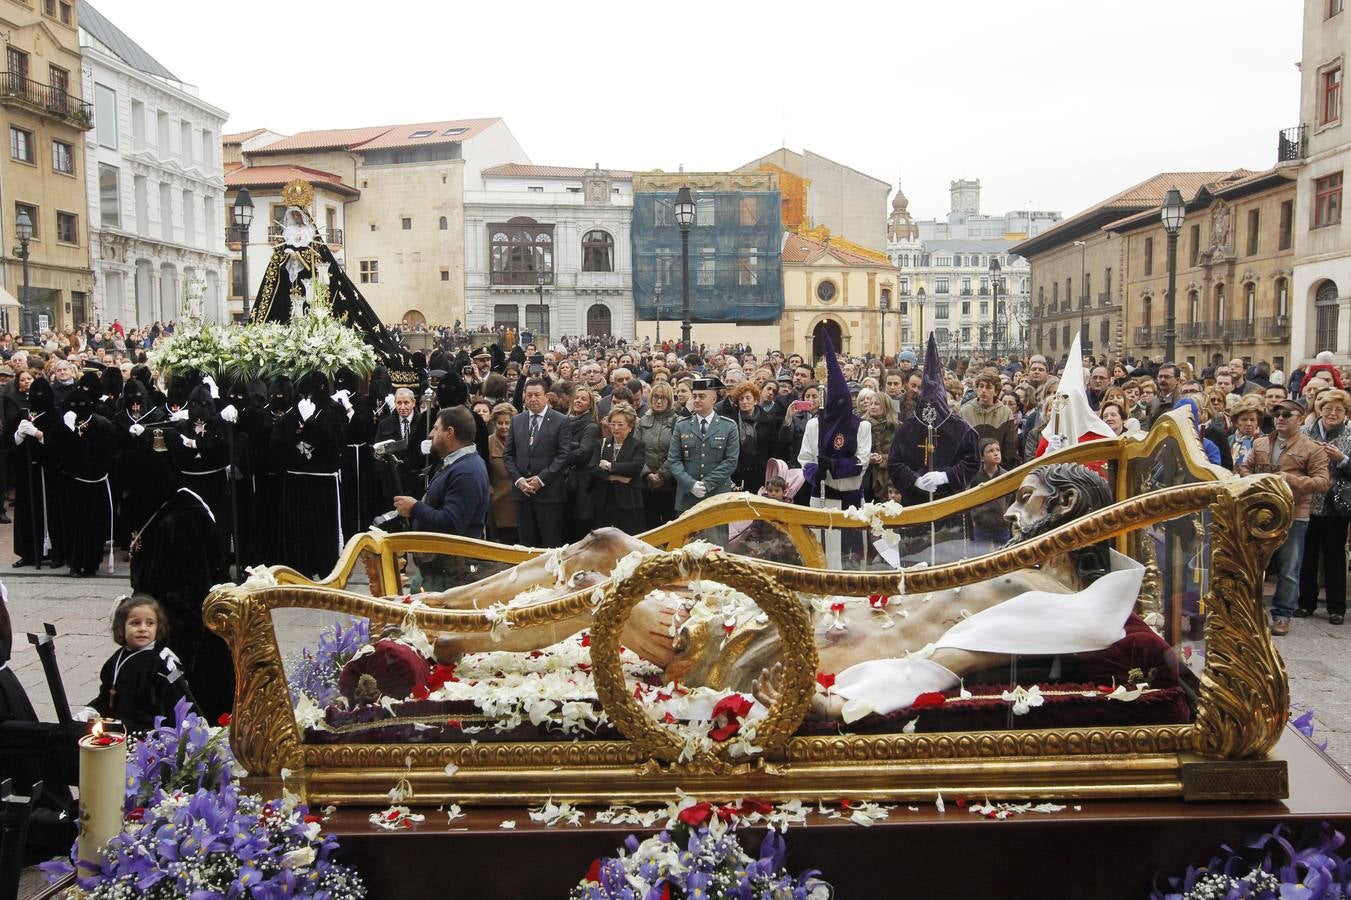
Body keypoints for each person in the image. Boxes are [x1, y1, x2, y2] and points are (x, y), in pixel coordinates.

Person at [129, 488, 232, 720]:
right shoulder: (159, 514)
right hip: (162, 625)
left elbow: (191, 592)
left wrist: (177, 649)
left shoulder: (181, 520)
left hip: (194, 641)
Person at [1237, 398, 1331, 636]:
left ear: (1300, 418)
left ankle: (1282, 615)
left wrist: (1290, 479)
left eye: (1286, 414)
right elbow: (1244, 468)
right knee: (1255, 566)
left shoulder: (1312, 448)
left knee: (1289, 568)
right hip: (1260, 512)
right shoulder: (1260, 443)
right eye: (1277, 413)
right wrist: (1253, 480)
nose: (1280, 417)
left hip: (1294, 514)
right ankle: (1253, 613)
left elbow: (1322, 482)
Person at [393, 405, 490, 591]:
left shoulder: (467, 471)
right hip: (436, 568)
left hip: (449, 576)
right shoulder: (457, 463)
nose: (430, 434)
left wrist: (415, 508)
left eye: (436, 428)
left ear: (450, 432)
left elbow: (452, 522)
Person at [80, 594, 194, 733]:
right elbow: (107, 695)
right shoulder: (116, 659)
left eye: (150, 623)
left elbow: (179, 694)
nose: (143, 628)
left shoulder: (162, 660)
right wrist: (92, 710)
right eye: (135, 623)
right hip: (118, 727)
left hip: (150, 731)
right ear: (121, 627)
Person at [888, 334, 979, 507]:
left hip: (951, 501)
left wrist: (946, 476)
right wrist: (915, 480)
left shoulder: (961, 429)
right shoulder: (907, 428)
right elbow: (894, 463)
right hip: (915, 501)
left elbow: (972, 462)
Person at [1297, 389, 1351, 624]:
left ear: (1346, 413)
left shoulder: (1350, 435)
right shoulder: (1304, 433)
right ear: (1320, 410)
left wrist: (1343, 459)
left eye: (1339, 409)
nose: (1333, 413)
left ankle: (1336, 608)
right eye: (1328, 408)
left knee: (1335, 557)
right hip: (1307, 503)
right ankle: (1305, 603)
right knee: (1307, 555)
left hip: (1337, 507)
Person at [667, 376, 740, 543]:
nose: (697, 400)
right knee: (685, 551)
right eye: (695, 396)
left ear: (714, 398)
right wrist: (690, 484)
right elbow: (674, 460)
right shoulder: (682, 425)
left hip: (716, 497)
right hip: (687, 498)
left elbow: (730, 462)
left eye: (702, 396)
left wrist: (707, 484)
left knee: (716, 550)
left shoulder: (728, 426)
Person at [503, 377, 573, 548]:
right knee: (526, 545)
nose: (533, 399)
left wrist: (541, 480)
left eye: (537, 395)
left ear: (546, 396)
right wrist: (519, 480)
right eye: (529, 395)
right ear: (524, 397)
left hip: (549, 495)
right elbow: (508, 455)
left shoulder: (561, 420)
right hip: (522, 495)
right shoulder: (517, 420)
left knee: (550, 544)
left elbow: (563, 455)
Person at [589, 404, 647, 534]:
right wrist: (615, 477)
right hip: (603, 502)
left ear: (630, 427)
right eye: (613, 423)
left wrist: (610, 466)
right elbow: (592, 469)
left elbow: (636, 467)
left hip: (628, 503)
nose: (615, 428)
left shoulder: (637, 445)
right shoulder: (601, 444)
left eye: (620, 424)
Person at [638, 381, 679, 529]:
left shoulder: (677, 422)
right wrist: (647, 474)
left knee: (670, 526)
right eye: (655, 397)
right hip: (646, 484)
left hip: (669, 484)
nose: (659, 401)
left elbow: (677, 452)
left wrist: (662, 475)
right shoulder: (642, 421)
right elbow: (636, 451)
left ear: (670, 400)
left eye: (663, 398)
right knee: (649, 525)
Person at [969, 438, 1011, 551]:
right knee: (981, 558)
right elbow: (969, 499)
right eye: (990, 451)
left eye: (998, 450)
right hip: (981, 525)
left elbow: (1009, 498)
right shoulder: (975, 477)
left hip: (1002, 524)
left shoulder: (1006, 475)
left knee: (1004, 556)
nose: (996, 453)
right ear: (982, 458)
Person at [486, 403, 518, 545]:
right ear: (494, 423)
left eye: (507, 423)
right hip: (497, 503)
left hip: (518, 503)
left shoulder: (521, 441)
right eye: (500, 423)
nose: (504, 426)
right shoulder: (488, 443)